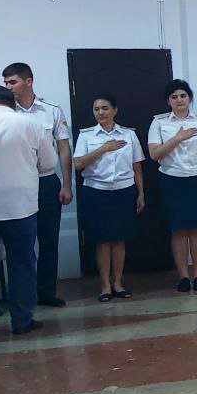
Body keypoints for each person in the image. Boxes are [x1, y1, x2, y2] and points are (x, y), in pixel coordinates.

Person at [3, 62, 72, 308]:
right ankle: (22, 294)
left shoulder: (51, 110)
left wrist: (66, 184)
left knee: (48, 240)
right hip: (17, 183)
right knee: (19, 242)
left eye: (13, 82)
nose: (8, 87)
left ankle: (45, 292)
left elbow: (63, 148)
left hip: (46, 182)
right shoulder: (5, 113)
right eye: (6, 83)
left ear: (29, 81)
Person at [0, 84, 55, 335]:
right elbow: (48, 164)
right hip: (21, 207)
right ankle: (22, 320)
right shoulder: (31, 125)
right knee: (22, 264)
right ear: (12, 103)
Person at [147, 79, 197, 293]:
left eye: (183, 96)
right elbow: (154, 154)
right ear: (168, 101)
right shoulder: (159, 123)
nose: (179, 100)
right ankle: (183, 277)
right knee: (178, 231)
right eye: (174, 97)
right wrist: (177, 138)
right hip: (172, 180)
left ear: (189, 98)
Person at [72, 94, 145, 301]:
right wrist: (103, 148)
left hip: (124, 190)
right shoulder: (86, 136)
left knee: (119, 240)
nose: (100, 112)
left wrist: (141, 193)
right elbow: (78, 164)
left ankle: (118, 283)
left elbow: (137, 166)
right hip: (96, 191)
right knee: (103, 240)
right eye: (96, 109)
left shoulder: (129, 135)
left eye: (105, 108)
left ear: (115, 110)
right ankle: (105, 285)